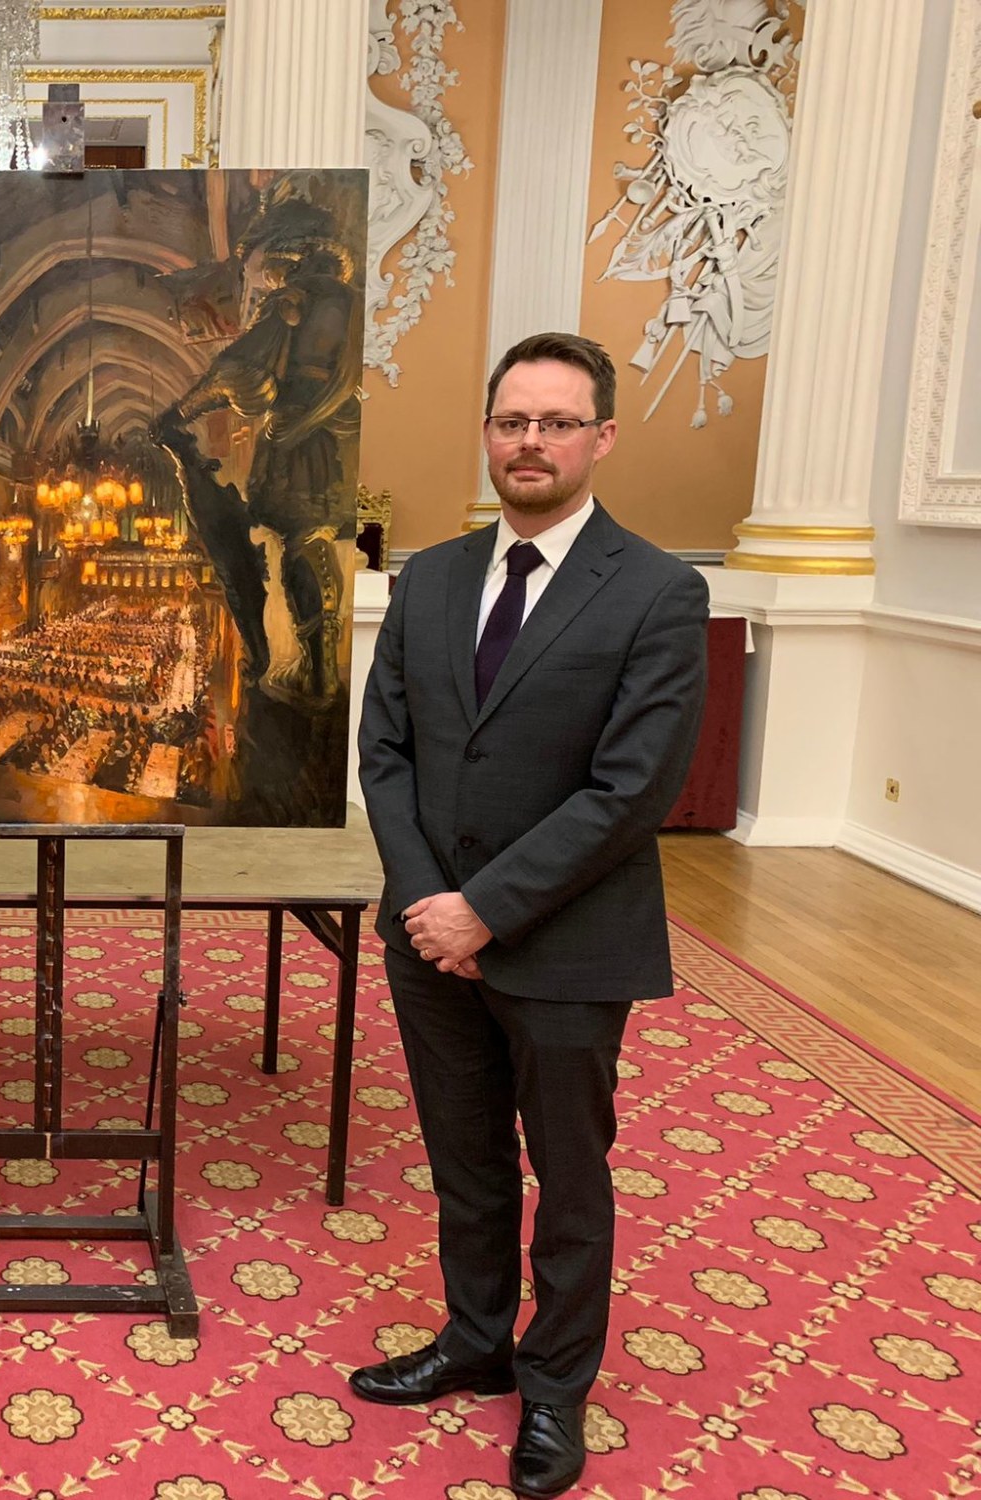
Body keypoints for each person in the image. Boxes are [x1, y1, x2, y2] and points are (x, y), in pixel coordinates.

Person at [352, 332, 708, 1499]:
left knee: (568, 1179)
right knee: (463, 1162)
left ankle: (553, 1388)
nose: (530, 442)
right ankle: (472, 1340)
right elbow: (386, 752)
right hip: (426, 937)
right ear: (487, 434)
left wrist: (485, 911)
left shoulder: (657, 591)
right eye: (511, 421)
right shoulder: (429, 580)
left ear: (600, 437)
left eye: (555, 423)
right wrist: (428, 903)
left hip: (565, 943)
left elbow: (631, 790)